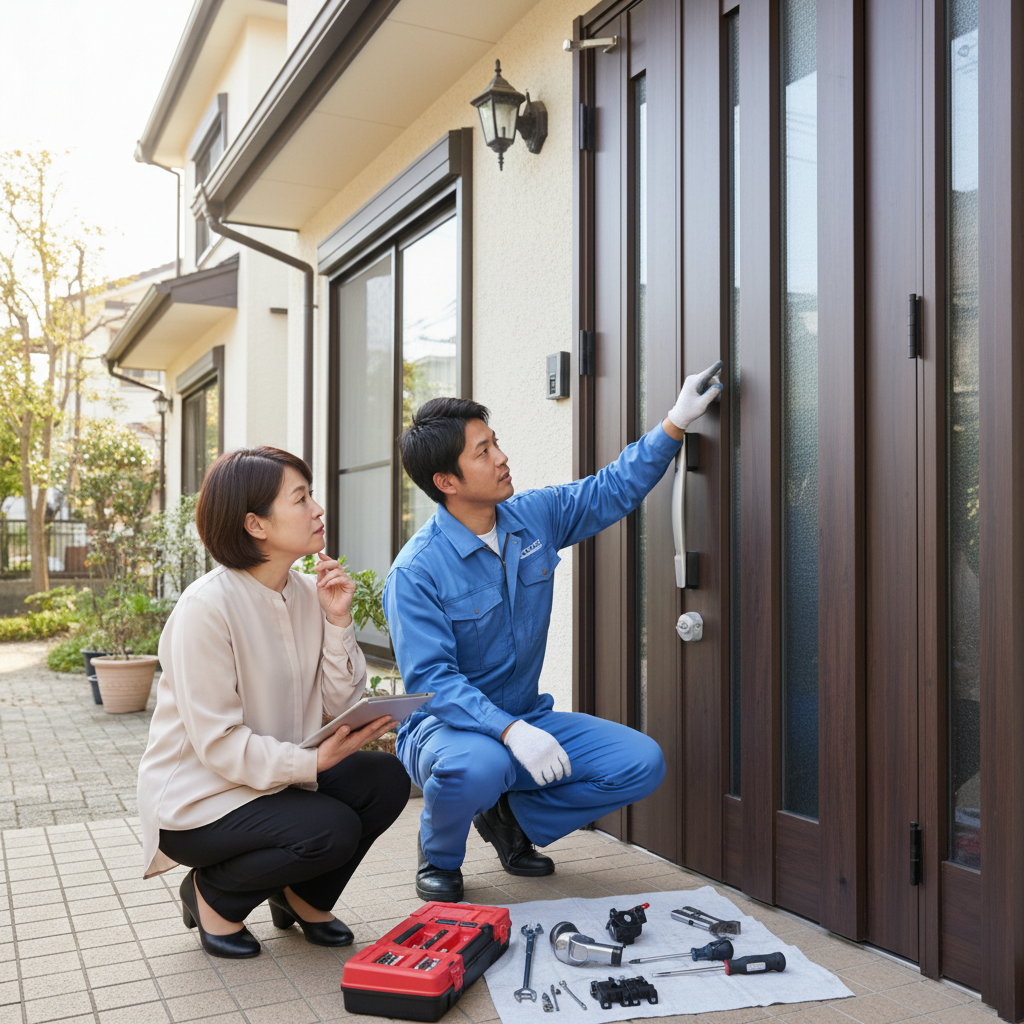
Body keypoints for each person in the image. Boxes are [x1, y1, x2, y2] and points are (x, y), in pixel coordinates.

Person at [383, 366, 722, 901]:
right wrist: (510, 732)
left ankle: (511, 820)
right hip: (444, 730)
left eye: (495, 443)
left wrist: (676, 422)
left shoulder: (532, 518)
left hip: (526, 716)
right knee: (477, 765)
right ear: (446, 482)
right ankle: (441, 856)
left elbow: (611, 489)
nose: (501, 458)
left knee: (641, 762)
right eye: (482, 452)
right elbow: (433, 682)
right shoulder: (416, 572)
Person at [137, 447, 409, 958]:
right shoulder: (205, 608)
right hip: (202, 800)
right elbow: (219, 745)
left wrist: (338, 621)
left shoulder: (310, 592)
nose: (317, 509)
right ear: (255, 525)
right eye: (301, 498)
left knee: (384, 780)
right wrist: (312, 761)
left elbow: (339, 700)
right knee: (331, 828)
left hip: (281, 775)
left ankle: (304, 897)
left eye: (312, 495)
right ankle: (210, 895)